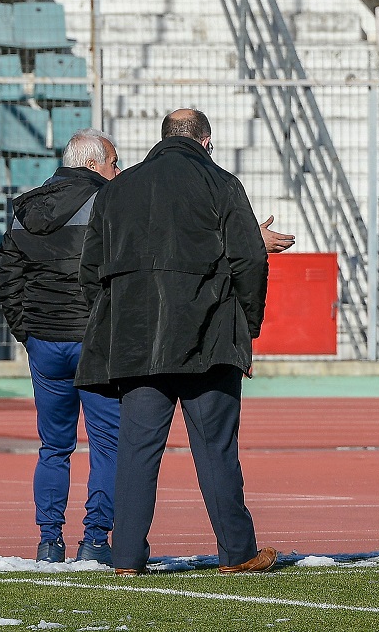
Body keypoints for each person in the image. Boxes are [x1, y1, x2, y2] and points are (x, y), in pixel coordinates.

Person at [74, 108, 278, 576]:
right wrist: (247, 327)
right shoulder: (222, 184)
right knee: (215, 448)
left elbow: (90, 272)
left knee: (136, 451)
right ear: (206, 142)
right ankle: (237, 552)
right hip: (207, 336)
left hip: (137, 338)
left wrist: (117, 320)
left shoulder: (117, 189)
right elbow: (250, 261)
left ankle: (126, 557)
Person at [0, 129, 123, 566]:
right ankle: (95, 540)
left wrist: (27, 333)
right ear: (92, 164)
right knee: (107, 445)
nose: (117, 171)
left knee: (53, 447)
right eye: (113, 163)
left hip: (45, 342)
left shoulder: (26, 208)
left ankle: (49, 541)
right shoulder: (106, 203)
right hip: (93, 341)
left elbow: (6, 279)